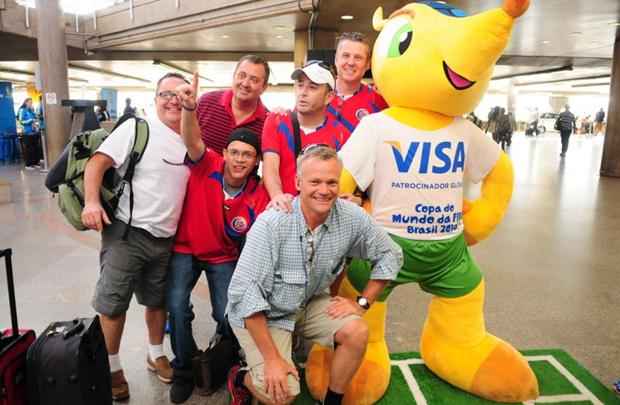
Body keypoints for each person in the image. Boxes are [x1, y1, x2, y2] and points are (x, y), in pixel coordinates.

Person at [225, 145, 403, 405]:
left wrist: (362, 303)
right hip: (266, 315)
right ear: (298, 182)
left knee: (357, 331)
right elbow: (246, 295)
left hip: (309, 302)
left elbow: (391, 254)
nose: (324, 190)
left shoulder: (351, 216)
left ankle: (332, 401)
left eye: (331, 182)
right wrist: (273, 360)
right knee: (282, 395)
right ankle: (240, 377)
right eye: (315, 181)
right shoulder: (272, 223)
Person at [81, 73, 192, 401]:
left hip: (166, 239)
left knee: (157, 302)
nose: (172, 99)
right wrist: (90, 201)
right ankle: (112, 366)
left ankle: (155, 352)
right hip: (127, 233)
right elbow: (96, 164)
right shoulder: (138, 128)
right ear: (155, 98)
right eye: (165, 93)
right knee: (113, 304)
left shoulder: (190, 138)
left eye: (179, 93)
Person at [164, 73, 270, 403]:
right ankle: (183, 367)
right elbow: (192, 139)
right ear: (224, 152)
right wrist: (190, 110)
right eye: (234, 152)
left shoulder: (259, 193)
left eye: (247, 155)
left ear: (256, 162)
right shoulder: (206, 162)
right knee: (178, 307)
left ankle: (221, 357)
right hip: (185, 249)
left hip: (222, 256)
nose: (239, 160)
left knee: (229, 312)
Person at [262, 61, 349, 212]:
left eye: (313, 87)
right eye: (300, 85)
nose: (303, 92)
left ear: (329, 97)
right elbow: (270, 167)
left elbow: (340, 181)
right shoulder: (276, 120)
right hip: (284, 211)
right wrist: (277, 196)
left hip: (321, 216)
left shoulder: (341, 134)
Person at [195, 54, 269, 155]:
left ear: (264, 87)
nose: (245, 83)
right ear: (233, 76)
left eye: (254, 80)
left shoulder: (268, 122)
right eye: (241, 75)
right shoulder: (206, 102)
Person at [327, 32, 388, 138]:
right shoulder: (317, 96)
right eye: (346, 55)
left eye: (358, 57)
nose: (351, 62)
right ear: (336, 59)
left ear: (368, 64)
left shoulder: (379, 102)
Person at [17, 98, 40, 169]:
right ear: (26, 102)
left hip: (33, 132)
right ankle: (28, 164)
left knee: (35, 148)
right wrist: (30, 120)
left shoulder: (30, 110)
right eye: (29, 102)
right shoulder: (22, 110)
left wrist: (36, 118)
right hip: (27, 132)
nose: (31, 104)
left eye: (31, 102)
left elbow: (35, 117)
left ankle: (35, 162)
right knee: (28, 149)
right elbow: (21, 121)